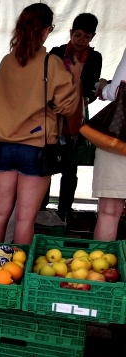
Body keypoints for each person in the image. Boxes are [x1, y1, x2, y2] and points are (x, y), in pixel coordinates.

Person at [0, 3, 82, 244]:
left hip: (4, 146)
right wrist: (76, 76)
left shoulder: (6, 62)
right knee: (24, 219)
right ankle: (17, 274)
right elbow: (68, 107)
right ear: (45, 30)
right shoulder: (50, 63)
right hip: (35, 148)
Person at [40, 13, 102, 221]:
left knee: (69, 165)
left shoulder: (94, 58)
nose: (80, 41)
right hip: (52, 115)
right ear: (70, 33)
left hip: (76, 116)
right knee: (47, 159)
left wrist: (78, 97)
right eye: (77, 35)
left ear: (92, 37)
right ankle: (41, 208)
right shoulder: (56, 53)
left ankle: (64, 210)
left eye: (86, 37)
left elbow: (92, 92)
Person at [92, 47, 126, 241]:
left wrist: (104, 87)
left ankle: (99, 269)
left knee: (110, 211)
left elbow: (117, 91)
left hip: (121, 137)